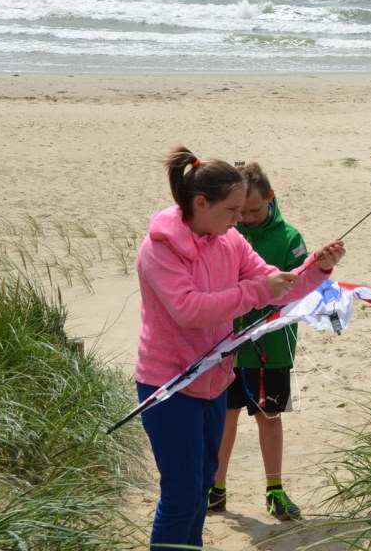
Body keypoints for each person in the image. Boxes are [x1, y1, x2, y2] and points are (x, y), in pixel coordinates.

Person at [133, 147, 344, 550]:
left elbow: (278, 286)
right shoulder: (160, 248)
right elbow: (188, 309)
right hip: (169, 383)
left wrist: (317, 267)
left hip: (214, 379)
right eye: (231, 209)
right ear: (200, 203)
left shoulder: (228, 239)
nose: (237, 219)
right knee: (181, 494)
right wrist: (256, 291)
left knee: (200, 489)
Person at [209, 162, 309, 521]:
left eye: (254, 210)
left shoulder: (290, 238)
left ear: (270, 197)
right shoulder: (226, 231)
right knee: (224, 415)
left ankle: (275, 490)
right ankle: (215, 487)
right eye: (241, 210)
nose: (247, 218)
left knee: (268, 415)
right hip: (225, 342)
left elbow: (300, 289)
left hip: (272, 346)